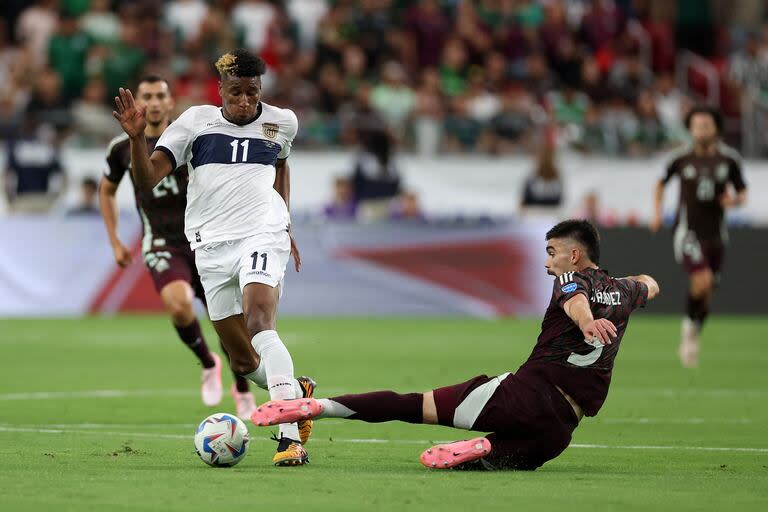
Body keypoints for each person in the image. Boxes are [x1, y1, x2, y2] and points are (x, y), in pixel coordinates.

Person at [252, 220, 659, 471]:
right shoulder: (623, 291)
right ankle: (484, 448)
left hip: (525, 395)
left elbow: (574, 302)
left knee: (413, 405)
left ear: (574, 255)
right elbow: (650, 283)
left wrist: (588, 322)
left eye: (552, 253)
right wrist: (622, 292)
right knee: (518, 457)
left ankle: (318, 407)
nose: (547, 262)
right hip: (561, 429)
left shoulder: (569, 281)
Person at [111, 50, 315, 466]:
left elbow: (281, 166)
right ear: (219, 89)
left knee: (260, 322)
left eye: (252, 93)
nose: (244, 102)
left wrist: (286, 222)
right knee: (240, 357)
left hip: (261, 234)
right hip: (209, 246)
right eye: (236, 92)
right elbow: (149, 179)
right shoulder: (194, 123)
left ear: (261, 90)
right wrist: (136, 139)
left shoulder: (282, 121)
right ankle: (294, 390)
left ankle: (289, 436)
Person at [99, 75, 256, 419]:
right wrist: (114, 240)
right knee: (179, 304)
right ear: (137, 102)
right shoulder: (121, 147)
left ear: (170, 103)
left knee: (229, 322)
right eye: (147, 96)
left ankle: (242, 388)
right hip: (161, 242)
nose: (154, 103)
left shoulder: (191, 137)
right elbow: (107, 190)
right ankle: (206, 361)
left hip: (206, 241)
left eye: (160, 96)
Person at [650, 106, 747, 368]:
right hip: (688, 232)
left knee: (706, 293)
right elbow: (660, 183)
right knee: (702, 280)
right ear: (690, 129)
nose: (701, 130)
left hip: (716, 235)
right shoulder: (681, 158)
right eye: (696, 125)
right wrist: (657, 213)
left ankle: (693, 329)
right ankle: (688, 333)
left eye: (706, 125)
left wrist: (734, 201)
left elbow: (742, 191)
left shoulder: (729, 160)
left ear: (716, 128)